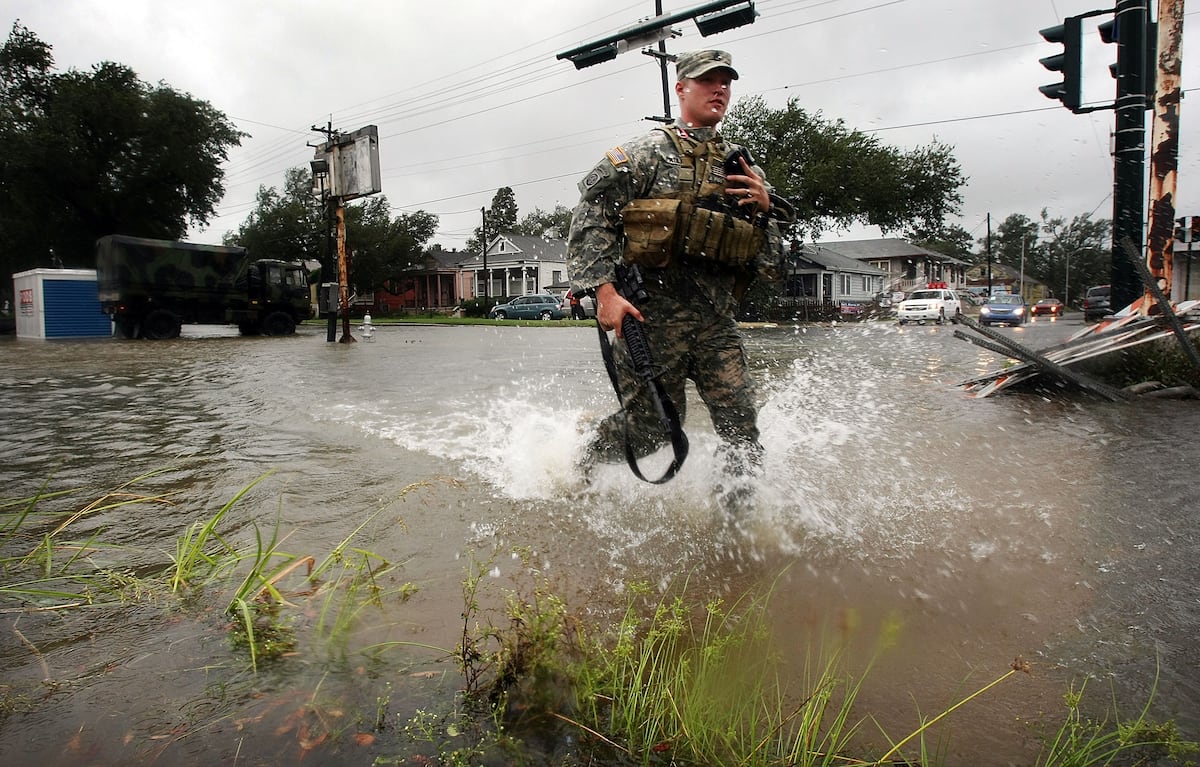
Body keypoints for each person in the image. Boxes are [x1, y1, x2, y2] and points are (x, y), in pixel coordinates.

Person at [566, 49, 793, 510]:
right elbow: (591, 220)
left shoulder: (742, 169)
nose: (719, 88)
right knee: (652, 433)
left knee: (741, 430)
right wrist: (604, 294)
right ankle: (579, 465)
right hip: (650, 320)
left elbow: (770, 266)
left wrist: (767, 212)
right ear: (681, 88)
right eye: (707, 80)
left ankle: (738, 534)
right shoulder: (645, 155)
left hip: (716, 326)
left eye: (726, 81)